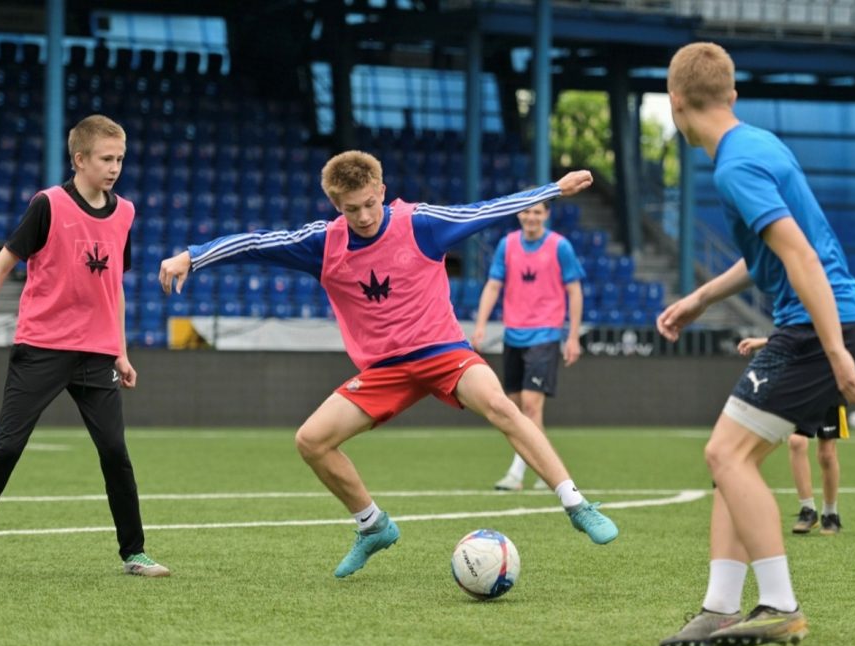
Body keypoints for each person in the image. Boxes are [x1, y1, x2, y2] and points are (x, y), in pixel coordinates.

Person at [158, 150, 618, 579]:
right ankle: (373, 525)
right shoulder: (323, 243)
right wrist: (192, 257)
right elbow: (256, 244)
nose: (362, 217)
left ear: (381, 190)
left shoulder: (421, 224)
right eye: (350, 209)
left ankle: (576, 505)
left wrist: (553, 190)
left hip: (443, 351)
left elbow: (485, 210)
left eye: (369, 204)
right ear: (335, 205)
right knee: (311, 441)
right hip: (384, 370)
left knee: (501, 405)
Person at [656, 42, 855, 646]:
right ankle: (719, 609)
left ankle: (778, 605)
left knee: (724, 454)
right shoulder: (759, 144)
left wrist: (834, 350)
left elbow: (801, 256)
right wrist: (702, 297)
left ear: (676, 102)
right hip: (818, 322)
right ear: (731, 94)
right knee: (733, 460)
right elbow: (770, 254)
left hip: (815, 325)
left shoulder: (736, 167)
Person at [0, 114, 169, 579]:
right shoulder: (48, 205)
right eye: (106, 158)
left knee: (115, 452)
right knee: (6, 448)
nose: (115, 167)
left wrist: (120, 350)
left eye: (120, 159)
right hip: (42, 348)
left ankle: (134, 553)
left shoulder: (126, 213)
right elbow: (1, 265)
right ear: (80, 159)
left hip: (97, 353)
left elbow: (114, 287)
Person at [469, 199, 584, 492]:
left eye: (537, 211)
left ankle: (516, 473)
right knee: (515, 410)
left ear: (546, 214)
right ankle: (549, 471)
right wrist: (480, 324)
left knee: (531, 406)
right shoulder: (507, 245)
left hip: (545, 334)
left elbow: (574, 290)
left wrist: (572, 336)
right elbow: (493, 285)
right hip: (513, 335)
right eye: (527, 211)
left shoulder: (560, 246)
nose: (531, 216)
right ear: (519, 214)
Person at [738, 336, 845, 536]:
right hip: (801, 387)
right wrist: (764, 342)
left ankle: (831, 514)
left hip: (828, 384)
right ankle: (808, 511)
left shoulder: (838, 320)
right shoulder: (799, 321)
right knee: (796, 441)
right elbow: (793, 334)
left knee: (827, 454)